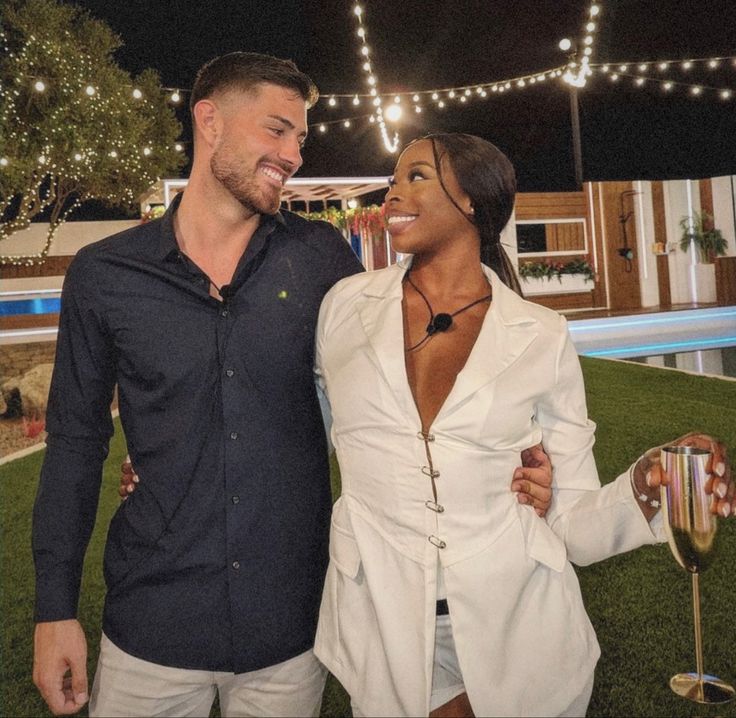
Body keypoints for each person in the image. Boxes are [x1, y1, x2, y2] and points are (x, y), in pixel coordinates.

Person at [31, 53, 550, 718]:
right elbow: (74, 446)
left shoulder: (324, 263)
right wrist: (55, 611)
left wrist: (524, 460)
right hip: (149, 630)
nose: (294, 155)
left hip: (290, 634)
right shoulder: (104, 275)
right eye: (276, 131)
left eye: (300, 139)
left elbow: (411, 397)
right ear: (209, 121)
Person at [311, 133, 735, 717]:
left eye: (416, 177)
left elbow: (571, 520)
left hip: (520, 625)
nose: (392, 194)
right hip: (382, 619)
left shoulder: (540, 334)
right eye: (393, 179)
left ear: (472, 203)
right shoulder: (343, 307)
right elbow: (299, 425)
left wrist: (648, 480)